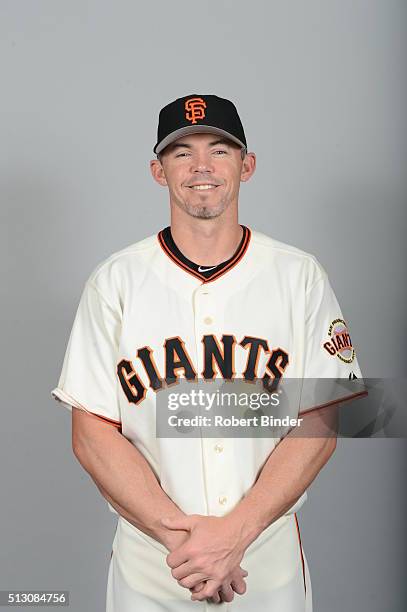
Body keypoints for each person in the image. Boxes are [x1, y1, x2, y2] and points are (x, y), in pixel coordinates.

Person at [51, 94, 366, 611]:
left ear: (248, 164)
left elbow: (322, 422)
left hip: (264, 559)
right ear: (158, 171)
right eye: (182, 152)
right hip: (153, 564)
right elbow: (91, 434)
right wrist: (186, 545)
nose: (202, 167)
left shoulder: (299, 275)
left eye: (220, 150)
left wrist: (235, 535)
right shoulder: (115, 281)